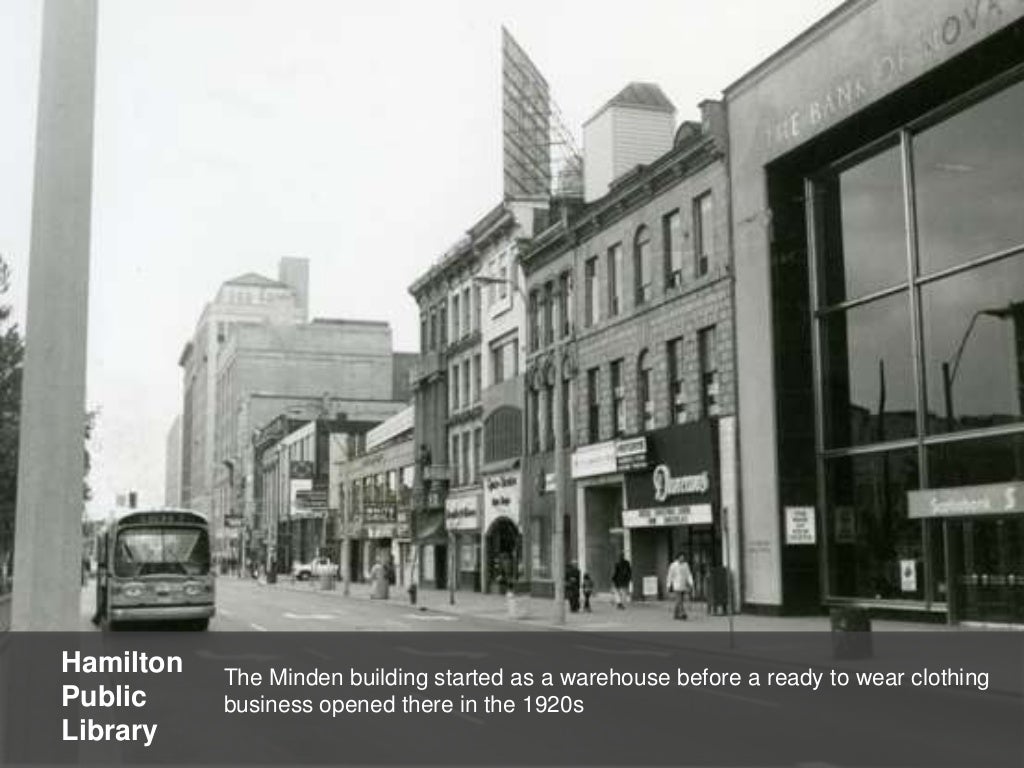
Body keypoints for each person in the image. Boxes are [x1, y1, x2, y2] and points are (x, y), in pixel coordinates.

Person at [666, 553, 695, 620]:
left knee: (679, 600)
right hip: (676, 585)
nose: (682, 559)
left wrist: (691, 583)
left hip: (683, 585)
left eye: (683, 558)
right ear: (678, 558)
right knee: (679, 600)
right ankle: (683, 613)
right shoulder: (673, 565)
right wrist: (668, 585)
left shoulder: (685, 565)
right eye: (681, 557)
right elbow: (670, 575)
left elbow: (688, 574)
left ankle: (675, 614)